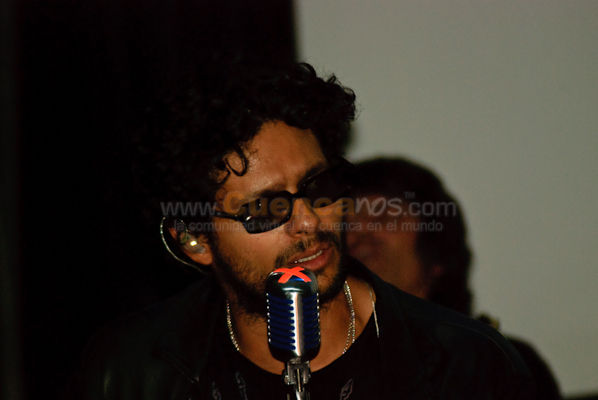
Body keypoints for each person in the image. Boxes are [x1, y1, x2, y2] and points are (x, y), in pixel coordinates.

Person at [70, 63, 533, 399]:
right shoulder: (130, 372)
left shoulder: (465, 365)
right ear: (195, 240)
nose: (309, 220)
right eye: (266, 209)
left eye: (318, 187)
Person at [346, 156, 561, 399]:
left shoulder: (497, 365)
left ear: (437, 255)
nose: (359, 235)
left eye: (384, 218)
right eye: (347, 224)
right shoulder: (329, 371)